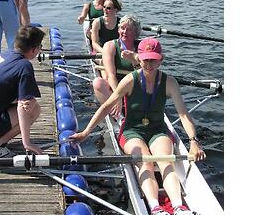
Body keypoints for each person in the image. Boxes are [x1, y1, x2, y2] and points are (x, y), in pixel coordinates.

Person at [71, 38, 205, 215]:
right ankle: (156, 208)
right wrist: (86, 131)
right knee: (145, 162)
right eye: (145, 59)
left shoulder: (170, 82)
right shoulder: (129, 80)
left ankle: (179, 206)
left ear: (161, 59)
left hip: (158, 130)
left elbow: (183, 114)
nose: (149, 64)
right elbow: (105, 107)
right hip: (131, 131)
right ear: (138, 59)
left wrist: (193, 141)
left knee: (165, 160)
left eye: (153, 59)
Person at [0, 25, 45, 158]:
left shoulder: (6, 54)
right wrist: (27, 144)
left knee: (30, 102)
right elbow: (23, 108)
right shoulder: (24, 66)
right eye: (40, 47)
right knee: (33, 110)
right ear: (34, 50)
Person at [93, 14, 141, 117]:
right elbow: (111, 75)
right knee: (98, 83)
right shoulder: (110, 46)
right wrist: (117, 97)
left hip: (135, 87)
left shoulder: (141, 47)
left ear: (136, 32)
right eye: (122, 28)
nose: (124, 32)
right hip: (116, 86)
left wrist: (134, 59)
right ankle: (116, 116)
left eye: (129, 30)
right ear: (118, 30)